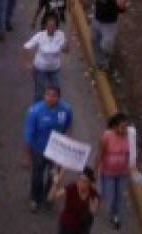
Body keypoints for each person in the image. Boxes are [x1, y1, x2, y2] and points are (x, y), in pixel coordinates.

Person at [23, 84, 73, 212]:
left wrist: (66, 145)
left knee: (54, 176)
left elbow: (68, 127)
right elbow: (28, 135)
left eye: (54, 95)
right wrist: (28, 157)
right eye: (48, 95)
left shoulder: (66, 109)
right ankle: (35, 198)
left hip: (56, 152)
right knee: (37, 175)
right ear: (44, 95)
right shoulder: (35, 111)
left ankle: (48, 197)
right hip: (39, 150)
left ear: (59, 97)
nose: (50, 98)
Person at [97, 113, 133, 229]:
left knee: (120, 196)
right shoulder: (107, 136)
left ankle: (115, 216)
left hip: (122, 173)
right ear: (115, 126)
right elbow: (100, 154)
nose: (124, 130)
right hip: (108, 173)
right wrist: (94, 169)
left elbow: (132, 154)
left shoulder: (130, 137)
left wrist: (132, 168)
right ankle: (98, 201)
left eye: (126, 127)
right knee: (110, 195)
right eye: (122, 127)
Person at [22, 13, 69, 100]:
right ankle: (36, 111)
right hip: (40, 69)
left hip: (55, 68)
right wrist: (27, 62)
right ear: (45, 25)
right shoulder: (40, 36)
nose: (51, 28)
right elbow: (26, 47)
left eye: (53, 26)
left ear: (56, 26)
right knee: (39, 93)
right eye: (49, 25)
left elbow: (65, 50)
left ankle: (53, 110)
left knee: (56, 90)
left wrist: (67, 45)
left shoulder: (60, 35)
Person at [52, 167, 100, 234]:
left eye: (85, 181)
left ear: (90, 183)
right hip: (67, 225)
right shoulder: (71, 188)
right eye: (79, 180)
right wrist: (57, 180)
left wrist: (93, 210)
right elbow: (52, 196)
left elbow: (95, 211)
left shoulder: (93, 194)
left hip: (83, 228)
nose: (81, 183)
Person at [91, 0, 126, 70]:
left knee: (106, 45)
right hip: (97, 19)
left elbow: (122, 9)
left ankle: (106, 61)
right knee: (95, 40)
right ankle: (98, 61)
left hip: (109, 24)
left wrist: (121, 4)